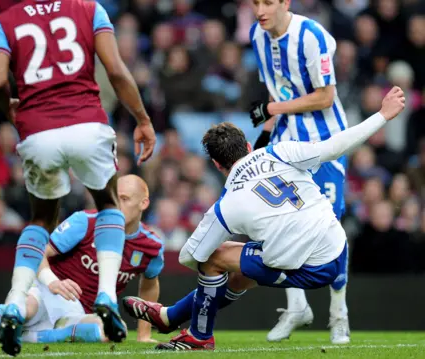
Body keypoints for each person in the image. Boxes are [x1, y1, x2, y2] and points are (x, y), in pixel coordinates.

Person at [123, 87, 405, 351]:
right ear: (247, 145)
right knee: (242, 273)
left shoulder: (227, 204)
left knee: (213, 259)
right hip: (336, 249)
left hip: (306, 268)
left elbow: (189, 256)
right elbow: (335, 147)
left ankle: (199, 336)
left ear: (216, 165)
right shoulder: (281, 150)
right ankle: (169, 317)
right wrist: (382, 114)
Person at [0, 0, 156, 355]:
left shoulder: (2, 21)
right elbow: (116, 70)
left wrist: (12, 109)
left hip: (38, 129)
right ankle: (106, 294)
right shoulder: (90, 9)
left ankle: (15, 301)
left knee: (41, 218)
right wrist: (142, 119)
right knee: (108, 204)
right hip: (87, 124)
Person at [0, 175, 163, 345]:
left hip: (82, 311)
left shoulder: (151, 246)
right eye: (114, 198)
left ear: (143, 203)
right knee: (26, 308)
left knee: (115, 330)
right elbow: (38, 252)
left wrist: (144, 334)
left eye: (124, 199)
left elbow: (149, 284)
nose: (116, 205)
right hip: (48, 291)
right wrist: (52, 281)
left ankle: (28, 337)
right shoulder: (86, 221)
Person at [247, 0, 351, 344]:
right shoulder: (256, 36)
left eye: (268, 2)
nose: (260, 10)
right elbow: (278, 90)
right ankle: (297, 306)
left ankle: (339, 313)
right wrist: (266, 131)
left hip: (326, 142)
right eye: (254, 2)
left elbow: (324, 97)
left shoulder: (311, 36)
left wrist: (272, 108)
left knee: (330, 226)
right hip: (285, 141)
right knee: (276, 221)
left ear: (285, 3)